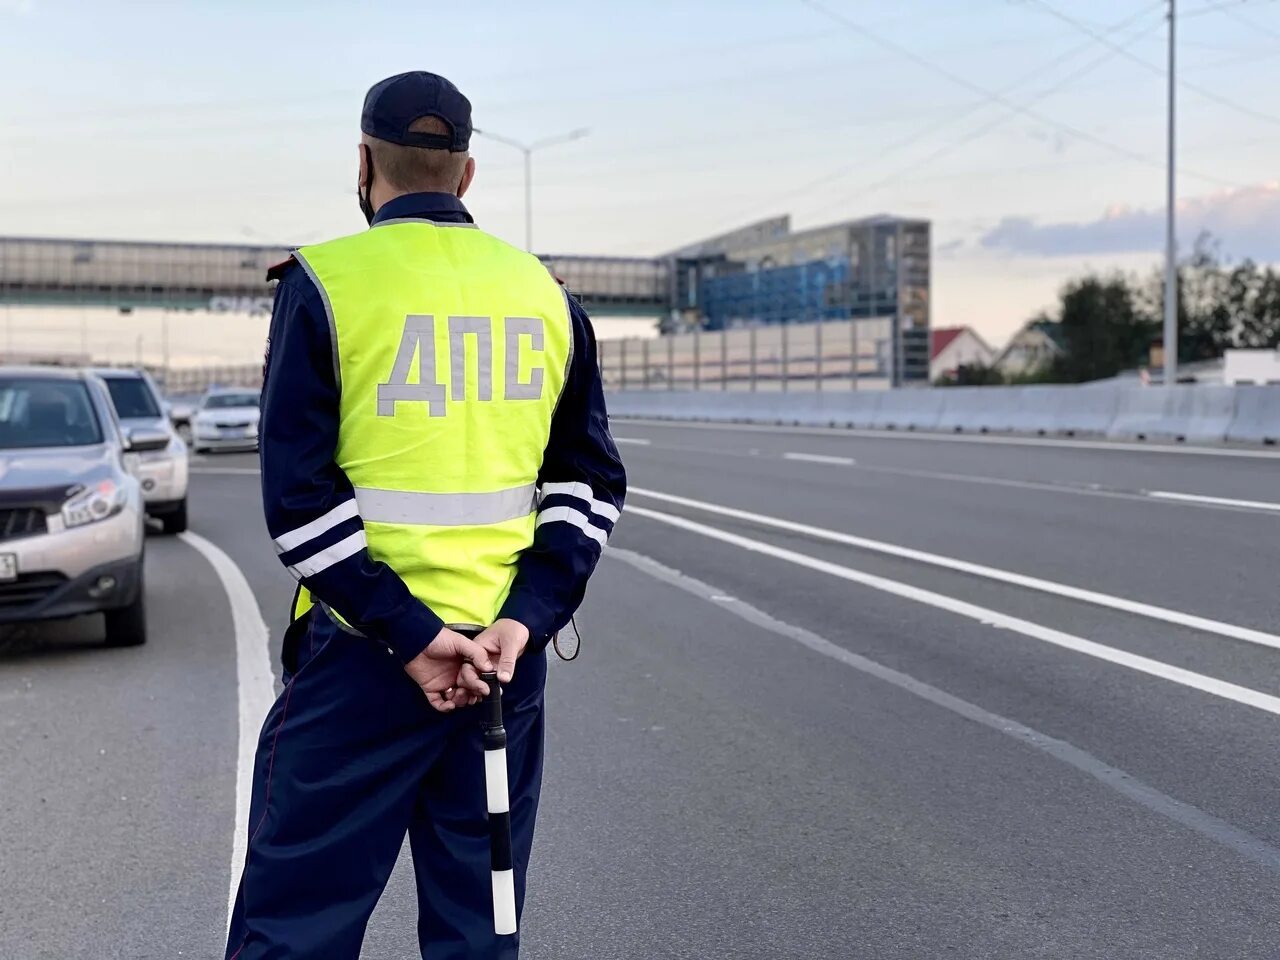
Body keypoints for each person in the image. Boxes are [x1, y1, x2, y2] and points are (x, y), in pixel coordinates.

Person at [224, 70, 626, 960]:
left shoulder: (322, 283)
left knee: (298, 926)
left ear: (363, 163)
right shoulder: (548, 297)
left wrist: (409, 634)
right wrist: (525, 620)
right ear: (469, 175)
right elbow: (586, 487)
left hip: (361, 663)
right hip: (499, 670)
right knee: (480, 931)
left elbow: (298, 502)